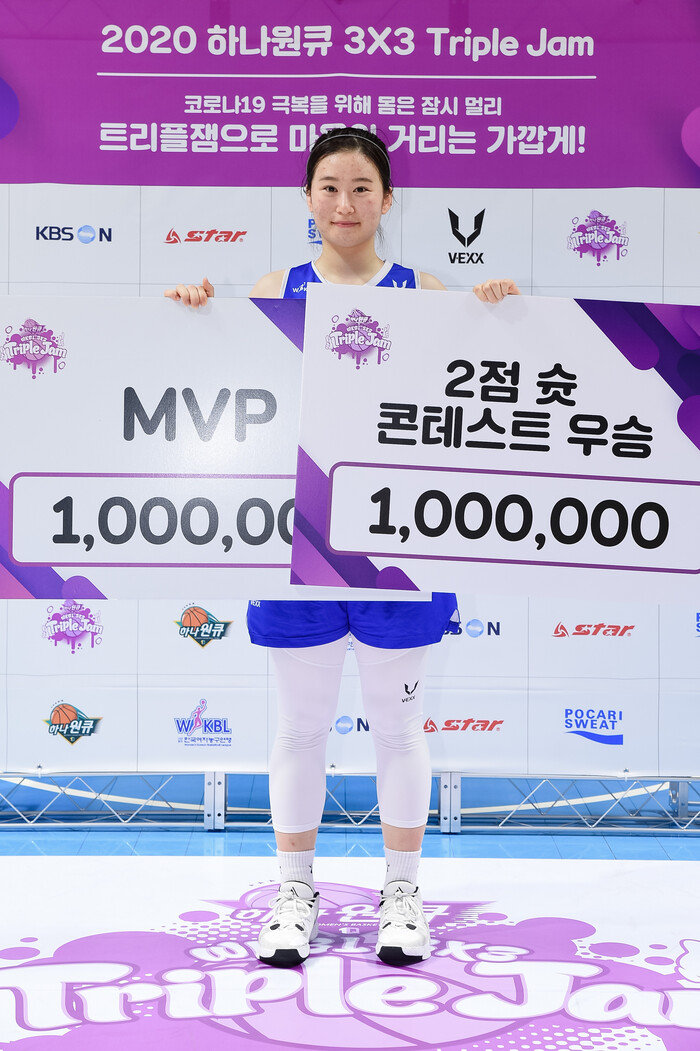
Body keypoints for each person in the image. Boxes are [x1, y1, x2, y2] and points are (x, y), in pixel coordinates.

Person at [166, 126, 519, 969]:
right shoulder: (274, 290)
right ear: (308, 198)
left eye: (362, 188)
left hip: (400, 545)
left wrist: (501, 319)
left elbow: (470, 402)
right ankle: (295, 892)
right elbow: (228, 391)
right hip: (298, 545)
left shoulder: (425, 291)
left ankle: (402, 893)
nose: (346, 203)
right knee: (301, 725)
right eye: (330, 186)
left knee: (397, 725)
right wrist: (198, 320)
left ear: (388, 200)